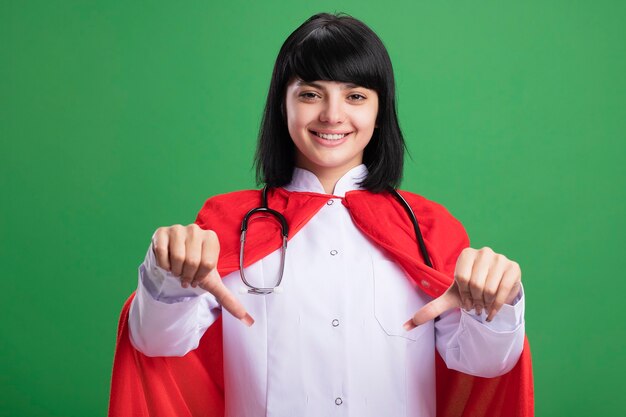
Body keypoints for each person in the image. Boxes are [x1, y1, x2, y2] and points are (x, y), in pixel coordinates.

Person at [109, 12, 533, 417]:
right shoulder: (227, 226)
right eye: (311, 94)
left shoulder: (428, 228)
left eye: (355, 96)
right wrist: (168, 273)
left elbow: (487, 364)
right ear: (283, 105)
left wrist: (495, 302)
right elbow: (156, 342)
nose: (332, 115)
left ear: (379, 111)